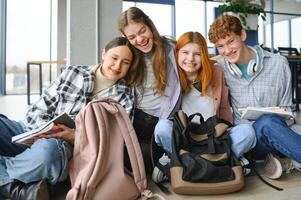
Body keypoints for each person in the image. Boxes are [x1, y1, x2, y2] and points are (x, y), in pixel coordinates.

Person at [0, 36, 141, 200]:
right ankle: (20, 189)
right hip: (33, 132)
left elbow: (115, 142)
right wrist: (42, 130)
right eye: (114, 58)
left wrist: (76, 137)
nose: (117, 66)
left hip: (64, 148)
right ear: (104, 54)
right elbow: (39, 108)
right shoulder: (73, 73)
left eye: (125, 62)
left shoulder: (125, 98)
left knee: (46, 155)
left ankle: (11, 184)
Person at [153, 32, 256, 182]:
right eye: (185, 52)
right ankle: (221, 163)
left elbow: (224, 108)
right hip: (184, 138)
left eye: (197, 54)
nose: (190, 59)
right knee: (162, 127)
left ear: (204, 56)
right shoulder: (171, 74)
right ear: (176, 54)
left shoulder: (216, 72)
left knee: (247, 132)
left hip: (213, 138)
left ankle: (182, 163)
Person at [208, 15, 301, 180]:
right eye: (220, 46)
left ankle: (278, 158)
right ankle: (285, 157)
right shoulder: (220, 69)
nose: (227, 50)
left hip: (280, 130)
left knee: (273, 123)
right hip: (252, 140)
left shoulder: (279, 64)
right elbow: (194, 62)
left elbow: (288, 112)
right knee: (266, 123)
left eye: (231, 41)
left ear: (242, 35)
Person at [118, 7, 181, 173]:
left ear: (149, 24)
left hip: (165, 119)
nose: (140, 39)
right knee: (125, 164)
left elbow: (198, 58)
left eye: (142, 31)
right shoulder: (128, 56)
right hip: (137, 119)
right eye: (132, 37)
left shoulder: (171, 48)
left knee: (148, 162)